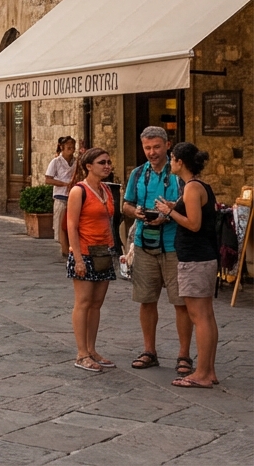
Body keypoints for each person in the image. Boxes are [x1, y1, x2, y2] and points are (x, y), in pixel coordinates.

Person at [122, 126, 192, 374]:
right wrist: (136, 213)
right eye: (147, 148)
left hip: (174, 246)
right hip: (144, 244)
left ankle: (184, 355)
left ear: (167, 145)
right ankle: (149, 351)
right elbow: (127, 205)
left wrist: (170, 211)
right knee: (146, 300)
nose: (152, 152)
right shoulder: (138, 174)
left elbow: (190, 206)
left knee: (181, 303)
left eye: (156, 147)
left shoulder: (179, 174)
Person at [159, 143, 220, 388]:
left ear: (180, 161)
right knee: (206, 316)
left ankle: (202, 374)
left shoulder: (192, 188)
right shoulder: (195, 187)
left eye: (172, 158)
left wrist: (168, 211)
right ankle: (209, 370)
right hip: (201, 256)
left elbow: (194, 224)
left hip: (196, 258)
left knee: (200, 316)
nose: (170, 162)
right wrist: (175, 207)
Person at [66, 147, 116, 373]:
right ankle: (81, 353)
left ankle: (92, 349)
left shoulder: (106, 189)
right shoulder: (79, 191)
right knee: (83, 303)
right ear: (88, 166)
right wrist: (77, 258)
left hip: (103, 252)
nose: (107, 166)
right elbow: (71, 225)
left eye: (108, 162)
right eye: (101, 162)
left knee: (96, 304)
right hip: (84, 252)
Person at [45, 137, 78, 256]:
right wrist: (64, 184)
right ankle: (64, 248)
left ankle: (71, 247)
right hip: (61, 196)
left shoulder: (76, 162)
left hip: (73, 196)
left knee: (73, 223)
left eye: (73, 147)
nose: (71, 150)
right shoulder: (56, 162)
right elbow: (48, 179)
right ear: (62, 147)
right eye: (69, 147)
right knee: (60, 224)